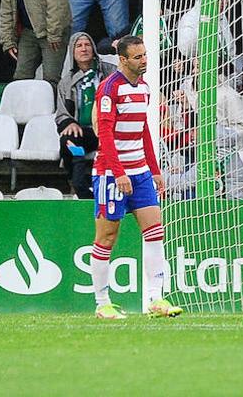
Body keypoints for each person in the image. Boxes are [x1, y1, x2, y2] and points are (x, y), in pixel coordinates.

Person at [90, 35, 182, 319]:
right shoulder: (109, 90)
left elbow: (143, 130)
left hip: (140, 172)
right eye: (138, 56)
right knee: (107, 236)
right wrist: (118, 173)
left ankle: (156, 298)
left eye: (145, 54)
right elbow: (104, 134)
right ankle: (102, 303)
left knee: (155, 230)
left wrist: (154, 170)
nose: (144, 60)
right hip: (110, 173)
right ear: (123, 59)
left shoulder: (144, 88)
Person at [55, 31, 115, 198]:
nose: (84, 49)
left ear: (94, 49)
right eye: (79, 46)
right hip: (83, 132)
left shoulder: (109, 72)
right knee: (68, 142)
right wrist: (69, 123)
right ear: (72, 52)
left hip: (108, 129)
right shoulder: (66, 81)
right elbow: (61, 113)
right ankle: (79, 185)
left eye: (87, 45)